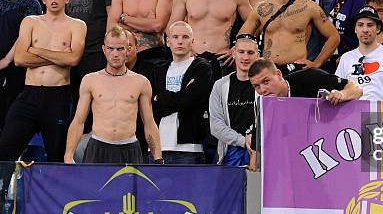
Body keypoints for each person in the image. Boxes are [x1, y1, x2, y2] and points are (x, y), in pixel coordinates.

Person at [0, 0, 86, 161]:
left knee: (56, 155)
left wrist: (36, 50)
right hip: (29, 94)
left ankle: (55, 190)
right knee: (6, 148)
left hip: (57, 97)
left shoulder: (77, 25)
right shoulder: (30, 22)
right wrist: (58, 56)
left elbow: (73, 58)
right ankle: (3, 190)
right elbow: (20, 59)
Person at [64, 25, 162, 164]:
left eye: (120, 49)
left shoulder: (141, 82)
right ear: (104, 50)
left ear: (128, 50)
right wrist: (68, 155)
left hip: (130, 148)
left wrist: (157, 158)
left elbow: (149, 123)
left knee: (130, 187)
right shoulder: (90, 80)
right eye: (111, 49)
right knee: (95, 186)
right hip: (98, 147)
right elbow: (79, 121)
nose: (115, 54)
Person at [240, 0, 340, 72]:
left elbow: (334, 37)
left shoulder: (310, 8)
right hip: (268, 69)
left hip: (297, 70)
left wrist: (317, 63)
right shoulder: (261, 8)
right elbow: (242, 38)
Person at [66, 0, 117, 122]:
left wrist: (108, 53)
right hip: (71, 56)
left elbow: (113, 23)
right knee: (74, 110)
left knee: (97, 111)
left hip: (96, 55)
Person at [151, 21, 213, 164]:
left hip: (189, 148)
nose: (180, 41)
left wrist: (161, 97)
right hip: (158, 148)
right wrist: (182, 96)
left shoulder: (202, 68)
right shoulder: (157, 70)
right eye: (175, 37)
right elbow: (150, 106)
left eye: (185, 37)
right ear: (168, 42)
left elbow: (191, 101)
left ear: (193, 41)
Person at [0, 0, 42, 131]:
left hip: (17, 68)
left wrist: (6, 60)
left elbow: (25, 37)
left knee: (10, 115)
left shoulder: (31, 4)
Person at [336, 5, 383, 101]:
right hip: (354, 115)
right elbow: (338, 92)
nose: (365, 30)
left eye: (370, 25)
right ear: (355, 29)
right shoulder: (346, 58)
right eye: (360, 25)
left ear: (378, 29)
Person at [209, 33, 259, 166]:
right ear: (233, 53)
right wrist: (244, 141)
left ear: (257, 55)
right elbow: (216, 126)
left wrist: (255, 141)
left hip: (260, 151)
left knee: (257, 187)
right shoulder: (220, 85)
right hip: (230, 151)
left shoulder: (264, 85)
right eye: (241, 52)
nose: (245, 57)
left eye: (250, 52)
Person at [248, 57, 362, 102]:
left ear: (278, 74)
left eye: (266, 81)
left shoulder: (311, 77)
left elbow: (357, 89)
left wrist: (342, 94)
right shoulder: (262, 105)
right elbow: (255, 149)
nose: (262, 90)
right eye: (256, 86)